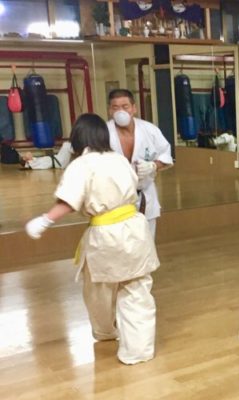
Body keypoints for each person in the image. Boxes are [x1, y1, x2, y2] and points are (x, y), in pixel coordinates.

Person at [24, 113, 159, 365]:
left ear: (77, 138)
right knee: (137, 289)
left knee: (99, 290)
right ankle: (138, 351)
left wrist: (45, 220)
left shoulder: (82, 165)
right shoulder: (119, 159)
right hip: (135, 230)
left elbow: (69, 201)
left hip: (107, 235)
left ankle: (106, 332)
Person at [107, 89, 173, 238]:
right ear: (110, 110)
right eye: (115, 107)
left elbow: (166, 155)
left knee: (147, 243)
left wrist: (153, 166)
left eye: (125, 106)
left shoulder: (149, 130)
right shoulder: (103, 133)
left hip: (144, 195)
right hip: (115, 199)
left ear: (134, 108)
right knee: (120, 243)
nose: (120, 111)